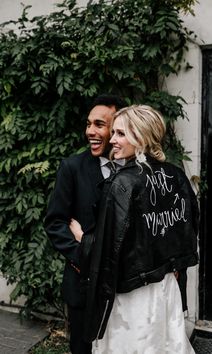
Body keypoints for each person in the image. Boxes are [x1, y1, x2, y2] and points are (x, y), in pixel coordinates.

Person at [71, 105, 199, 354]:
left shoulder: (121, 183)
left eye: (120, 134)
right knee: (165, 346)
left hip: (132, 296)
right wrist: (173, 267)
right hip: (164, 288)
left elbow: (108, 250)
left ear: (140, 137)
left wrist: (81, 238)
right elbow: (187, 229)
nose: (113, 139)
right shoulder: (176, 175)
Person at [44, 94, 125, 354]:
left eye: (99, 124)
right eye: (89, 124)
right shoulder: (72, 167)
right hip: (82, 285)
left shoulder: (134, 167)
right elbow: (56, 222)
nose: (90, 131)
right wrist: (83, 256)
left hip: (125, 289)